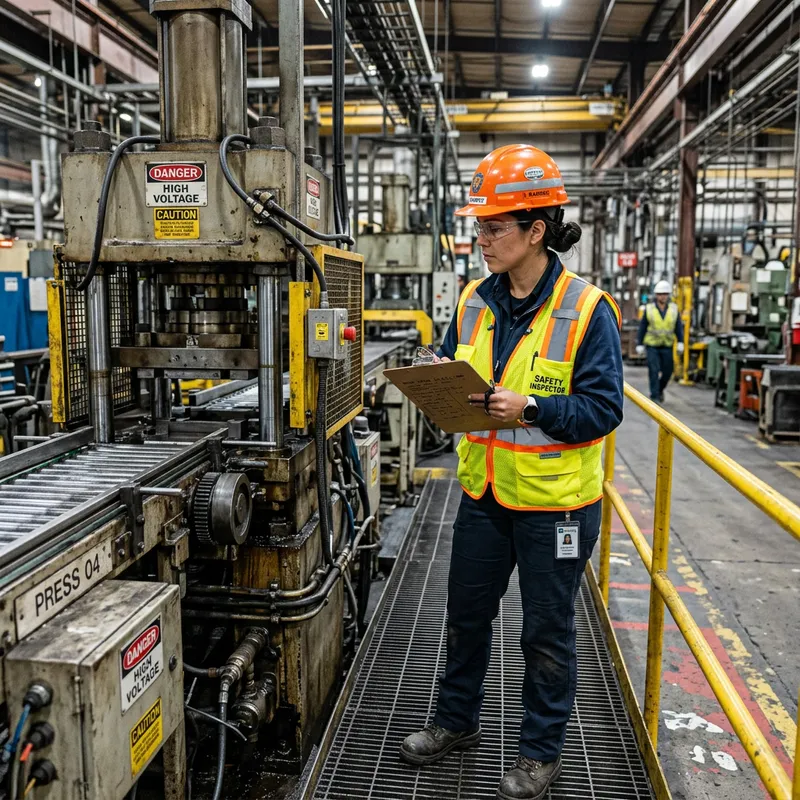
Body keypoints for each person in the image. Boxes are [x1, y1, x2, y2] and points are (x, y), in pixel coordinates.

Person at [399, 144, 624, 800]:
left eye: (494, 228)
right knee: (466, 615)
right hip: (485, 492)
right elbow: (453, 357)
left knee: (545, 630)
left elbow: (602, 409)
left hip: (556, 505)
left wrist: (529, 406)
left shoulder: (587, 310)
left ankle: (540, 751)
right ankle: (455, 722)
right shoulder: (474, 298)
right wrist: (431, 372)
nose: (482, 239)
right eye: (479, 227)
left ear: (535, 231)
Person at [635, 280, 684, 402]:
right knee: (654, 370)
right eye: (660, 294)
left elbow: (678, 327)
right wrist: (639, 344)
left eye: (665, 294)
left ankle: (660, 389)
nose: (663, 296)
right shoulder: (649, 309)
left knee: (668, 372)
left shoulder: (673, 309)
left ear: (668, 295)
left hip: (667, 345)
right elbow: (643, 327)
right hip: (652, 346)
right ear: (656, 295)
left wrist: (680, 342)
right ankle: (654, 396)